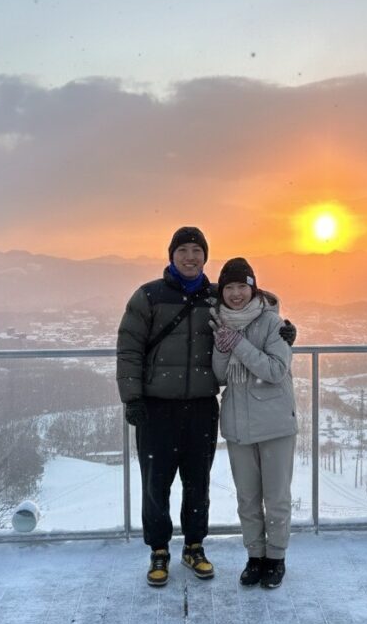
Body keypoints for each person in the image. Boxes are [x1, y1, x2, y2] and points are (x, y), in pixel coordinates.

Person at [116, 227, 296, 587]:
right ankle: (159, 550)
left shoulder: (215, 296)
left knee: (197, 483)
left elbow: (258, 304)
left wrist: (287, 331)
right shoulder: (149, 296)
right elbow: (129, 347)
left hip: (201, 405)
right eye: (183, 250)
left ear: (205, 257)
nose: (190, 257)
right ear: (171, 255)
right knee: (155, 483)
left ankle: (194, 547)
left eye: (196, 250)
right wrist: (132, 397)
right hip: (157, 406)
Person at [210, 257, 297, 589]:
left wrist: (239, 344)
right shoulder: (219, 322)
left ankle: (276, 557)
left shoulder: (272, 323)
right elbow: (220, 376)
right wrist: (222, 348)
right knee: (247, 498)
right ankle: (255, 556)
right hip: (238, 425)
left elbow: (275, 371)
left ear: (253, 288)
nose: (236, 294)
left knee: (276, 497)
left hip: (274, 424)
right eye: (229, 287)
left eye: (241, 286)